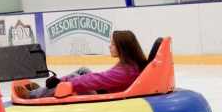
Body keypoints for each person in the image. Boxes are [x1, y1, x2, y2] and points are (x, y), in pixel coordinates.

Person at [14, 30, 147, 99]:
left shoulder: (126, 70)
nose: (109, 46)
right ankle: (41, 91)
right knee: (83, 71)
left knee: (74, 81)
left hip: (105, 99)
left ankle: (32, 95)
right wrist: (61, 80)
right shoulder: (129, 64)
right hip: (106, 91)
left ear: (122, 47)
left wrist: (66, 82)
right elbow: (100, 77)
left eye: (112, 44)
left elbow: (98, 79)